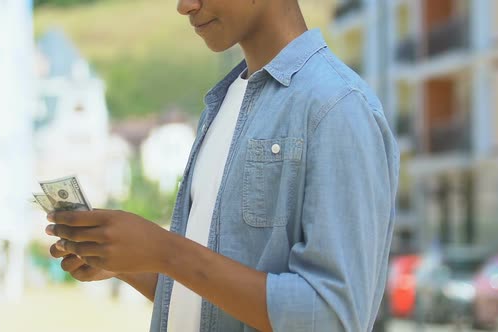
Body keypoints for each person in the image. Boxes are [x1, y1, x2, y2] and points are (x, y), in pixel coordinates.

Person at [44, 0, 400, 331]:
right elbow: (211, 303)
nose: (184, 6)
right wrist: (128, 263)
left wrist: (165, 251)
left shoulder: (338, 108)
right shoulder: (223, 103)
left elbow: (331, 317)